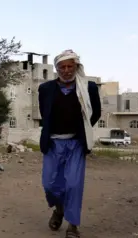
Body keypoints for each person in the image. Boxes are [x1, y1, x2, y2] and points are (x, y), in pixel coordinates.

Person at [38, 50, 101, 238]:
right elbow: (45, 113)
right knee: (49, 184)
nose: (66, 70)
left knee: (74, 185)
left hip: (75, 144)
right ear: (56, 69)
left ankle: (72, 226)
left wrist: (83, 131)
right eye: (62, 67)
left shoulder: (88, 87)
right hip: (53, 143)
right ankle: (59, 209)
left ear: (76, 67)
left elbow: (95, 113)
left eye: (70, 66)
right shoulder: (46, 89)